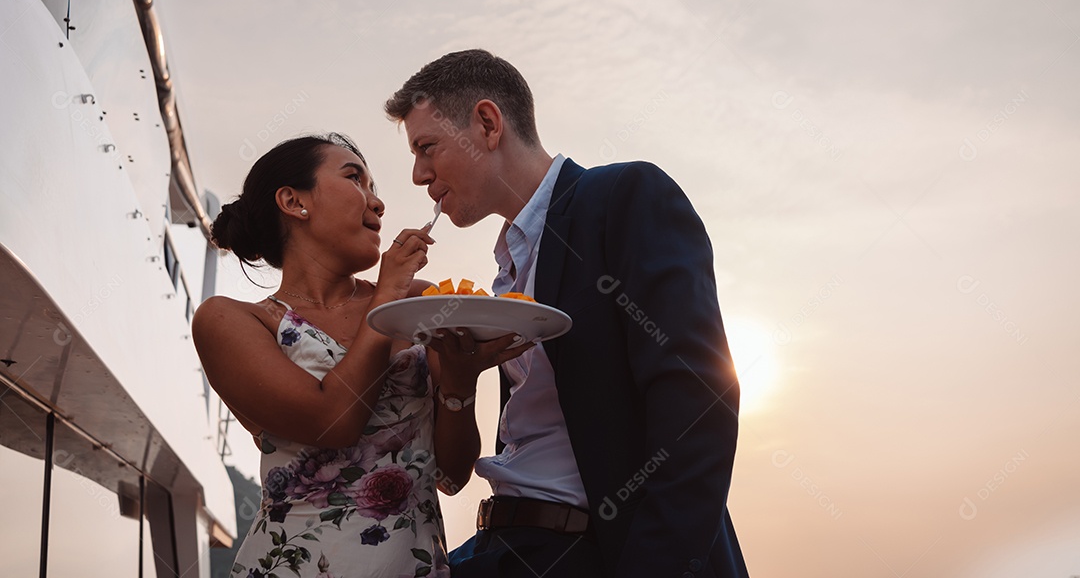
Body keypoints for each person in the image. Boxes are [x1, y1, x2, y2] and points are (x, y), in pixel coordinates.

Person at [384, 51, 751, 578]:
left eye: (426, 148)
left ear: (487, 124)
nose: (419, 174)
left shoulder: (622, 196)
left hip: (592, 551)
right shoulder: (506, 271)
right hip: (505, 546)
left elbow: (697, 395)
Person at [192, 134, 529, 578]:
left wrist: (462, 381)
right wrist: (386, 297)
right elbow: (333, 420)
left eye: (375, 188)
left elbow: (451, 476)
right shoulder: (230, 320)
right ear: (293, 201)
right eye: (355, 179)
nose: (378, 203)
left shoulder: (422, 302)